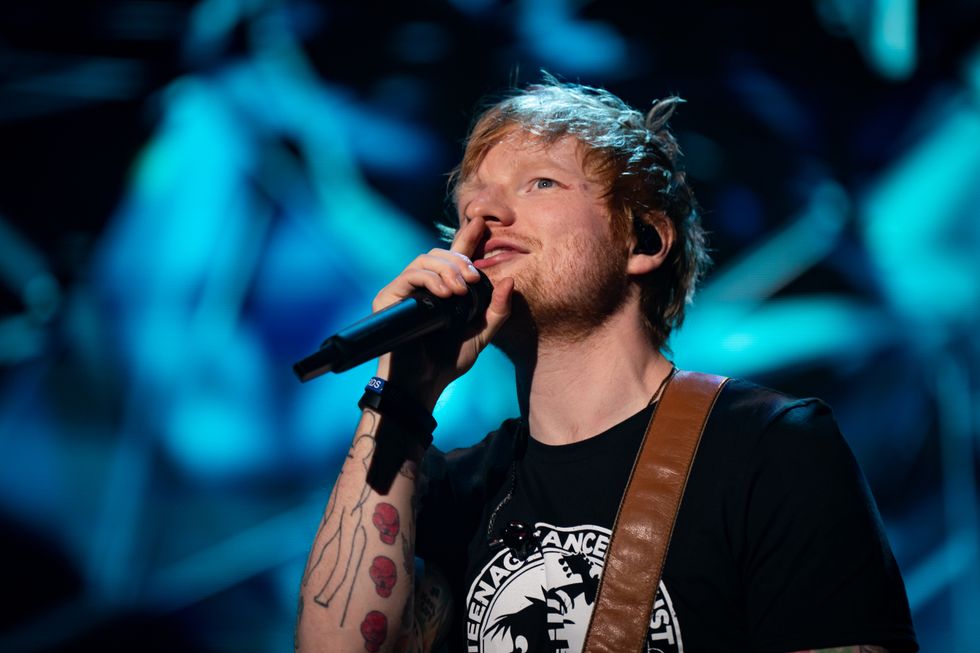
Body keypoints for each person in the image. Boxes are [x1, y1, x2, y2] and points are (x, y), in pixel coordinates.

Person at [295, 77, 918, 653]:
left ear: (644, 241)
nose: (485, 219)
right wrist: (400, 398)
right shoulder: (451, 489)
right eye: (467, 209)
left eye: (540, 183)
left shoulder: (768, 448)